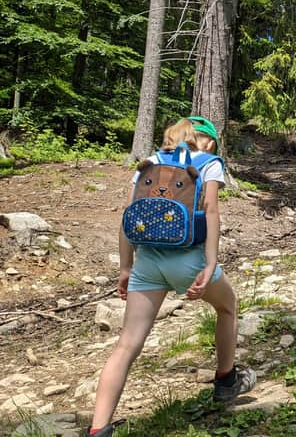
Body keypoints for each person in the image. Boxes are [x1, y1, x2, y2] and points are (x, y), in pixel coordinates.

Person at [86, 117, 255, 437]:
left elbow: (128, 216)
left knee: (126, 346)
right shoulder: (208, 163)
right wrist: (209, 264)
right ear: (207, 142)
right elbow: (212, 212)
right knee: (228, 306)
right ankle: (226, 380)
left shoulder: (149, 164)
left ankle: (98, 428)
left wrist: (125, 267)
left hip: (147, 263)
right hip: (188, 262)